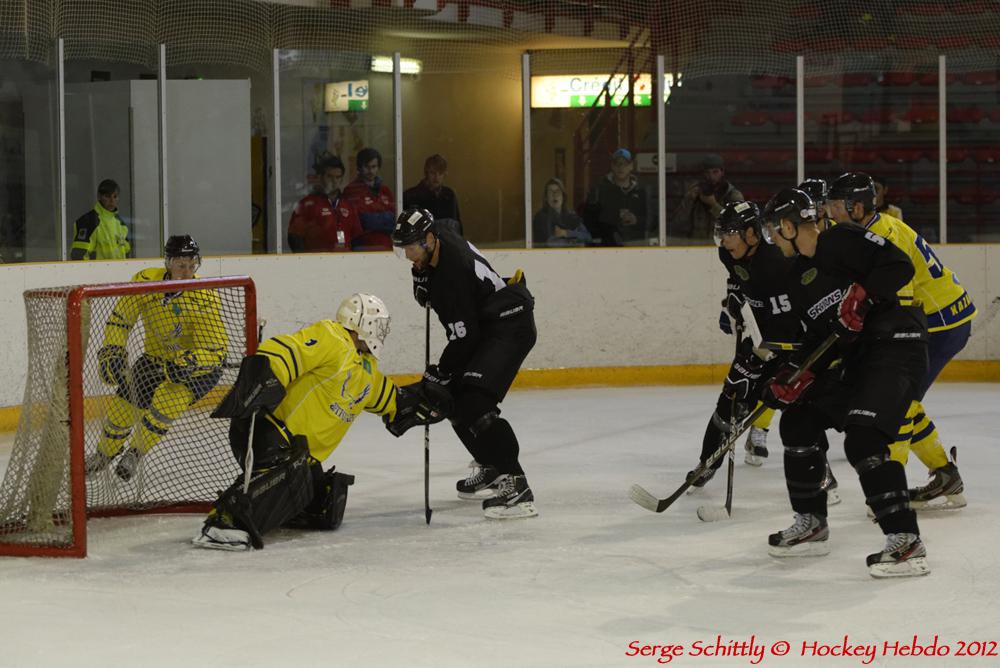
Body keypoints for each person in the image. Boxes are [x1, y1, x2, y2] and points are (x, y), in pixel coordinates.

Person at [761, 187, 929, 578]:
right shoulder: (796, 276)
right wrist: (795, 375)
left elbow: (898, 266)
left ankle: (906, 541)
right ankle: (811, 523)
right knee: (798, 420)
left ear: (788, 225)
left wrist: (864, 295)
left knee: (864, 437)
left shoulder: (840, 237)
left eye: (773, 230)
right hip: (859, 359)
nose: (771, 239)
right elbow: (823, 338)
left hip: (896, 345)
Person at [193, 293, 444, 550]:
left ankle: (283, 507)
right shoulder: (332, 337)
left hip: (296, 450)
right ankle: (223, 521)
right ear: (362, 323)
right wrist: (264, 378)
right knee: (292, 474)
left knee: (323, 502)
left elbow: (388, 398)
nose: (381, 333)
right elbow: (288, 350)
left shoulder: (366, 369)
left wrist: (420, 399)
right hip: (265, 428)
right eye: (378, 325)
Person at [827, 172, 974, 510]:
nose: (831, 212)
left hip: (940, 323)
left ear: (858, 206)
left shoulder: (883, 235)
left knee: (898, 405)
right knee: (905, 401)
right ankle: (945, 474)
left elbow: (900, 305)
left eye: (837, 206)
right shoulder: (865, 229)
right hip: (936, 318)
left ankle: (892, 495)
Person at [389, 208, 538, 519]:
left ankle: (517, 486)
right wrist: (421, 275)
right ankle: (491, 466)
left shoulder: (450, 278)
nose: (408, 256)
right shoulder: (440, 236)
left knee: (474, 402)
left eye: (412, 248)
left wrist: (441, 373)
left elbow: (464, 339)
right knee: (453, 400)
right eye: (404, 249)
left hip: (510, 327)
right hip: (488, 323)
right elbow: (449, 223)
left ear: (429, 240)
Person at [84, 235, 225, 481]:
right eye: (181, 265)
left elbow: (215, 350)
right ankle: (104, 454)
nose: (187, 272)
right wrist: (113, 349)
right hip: (155, 359)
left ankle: (135, 454)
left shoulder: (205, 296)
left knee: (167, 402)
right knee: (122, 408)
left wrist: (191, 362)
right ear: (168, 263)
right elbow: (121, 319)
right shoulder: (145, 280)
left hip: (197, 369)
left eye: (192, 265)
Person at [687, 201, 801, 484]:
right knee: (731, 397)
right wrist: (732, 304)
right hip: (760, 337)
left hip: (791, 346)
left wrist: (760, 355)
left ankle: (822, 475)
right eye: (721, 234)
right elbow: (737, 280)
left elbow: (787, 325)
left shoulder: (776, 264)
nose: (724, 241)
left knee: (801, 413)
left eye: (730, 233)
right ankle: (707, 464)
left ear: (752, 234)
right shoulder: (729, 254)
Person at [287, 156, 362, 252]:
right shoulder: (307, 204)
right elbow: (295, 237)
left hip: (344, 262)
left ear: (342, 179)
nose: (334, 181)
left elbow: (356, 238)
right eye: (329, 176)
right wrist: (305, 262)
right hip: (318, 263)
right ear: (321, 177)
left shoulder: (348, 205)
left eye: (338, 177)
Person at [583, 148, 648, 246]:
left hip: (635, 249)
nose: (620, 167)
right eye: (617, 163)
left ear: (631, 166)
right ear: (612, 166)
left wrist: (636, 220)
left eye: (625, 163)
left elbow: (654, 221)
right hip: (609, 250)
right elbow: (588, 223)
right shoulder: (599, 191)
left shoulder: (641, 191)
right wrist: (614, 221)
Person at [672, 154, 744, 242]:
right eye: (707, 173)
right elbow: (678, 222)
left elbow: (739, 224)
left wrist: (714, 205)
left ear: (722, 172)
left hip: (723, 245)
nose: (711, 177)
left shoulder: (732, 195)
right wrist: (689, 199)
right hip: (696, 244)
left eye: (715, 172)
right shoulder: (696, 192)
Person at [343, 147, 396, 251]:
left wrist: (374, 217)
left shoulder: (385, 190)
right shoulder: (351, 190)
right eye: (367, 167)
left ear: (378, 167)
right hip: (363, 247)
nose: (371, 171)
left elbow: (394, 221)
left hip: (387, 247)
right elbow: (363, 222)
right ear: (359, 168)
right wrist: (384, 216)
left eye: (374, 166)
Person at [71, 178, 131, 260]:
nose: (112, 200)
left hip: (120, 272)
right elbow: (78, 256)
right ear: (99, 197)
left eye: (115, 196)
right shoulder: (88, 221)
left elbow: (127, 253)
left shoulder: (121, 224)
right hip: (97, 272)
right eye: (107, 196)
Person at [403, 154, 462, 236]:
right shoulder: (411, 196)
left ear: (445, 174)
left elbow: (456, 225)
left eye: (440, 173)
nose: (436, 177)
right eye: (433, 173)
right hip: (421, 245)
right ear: (426, 173)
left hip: (446, 244)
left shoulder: (449, 195)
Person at [532, 177, 592, 246]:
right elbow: (551, 243)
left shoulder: (571, 215)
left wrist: (566, 233)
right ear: (546, 197)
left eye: (558, 191)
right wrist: (576, 240)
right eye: (551, 192)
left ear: (563, 196)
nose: (555, 195)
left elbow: (588, 237)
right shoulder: (540, 217)